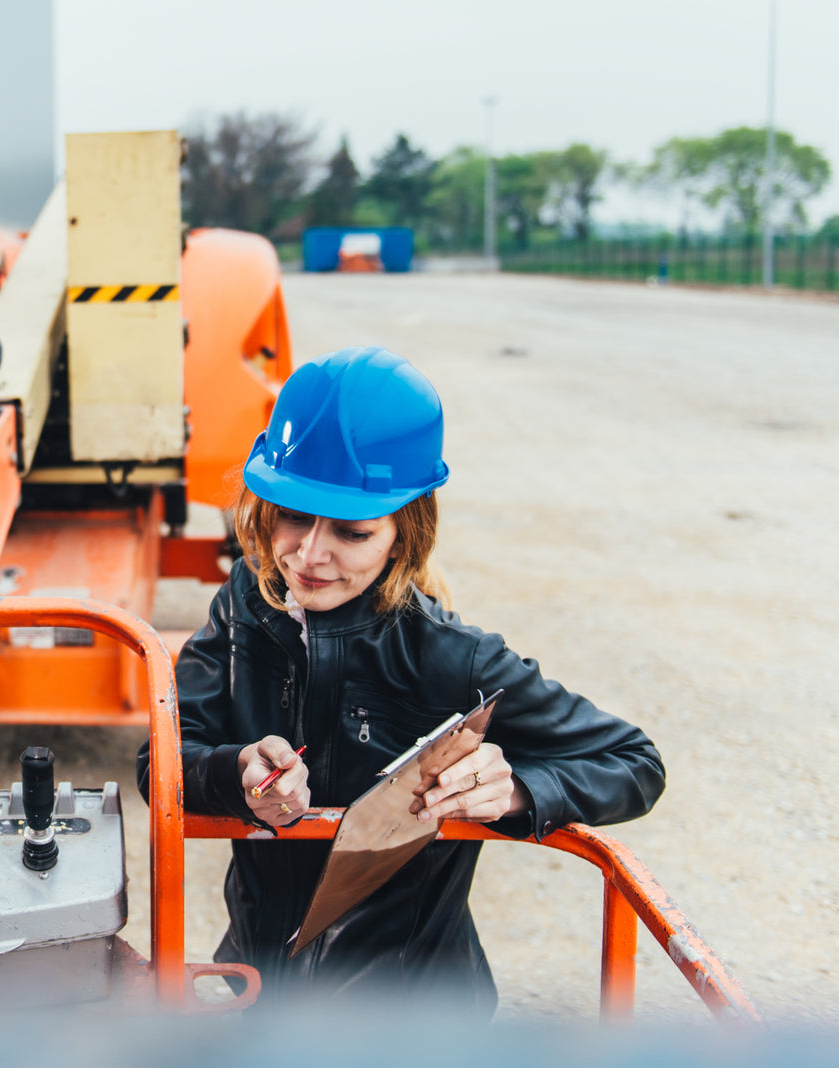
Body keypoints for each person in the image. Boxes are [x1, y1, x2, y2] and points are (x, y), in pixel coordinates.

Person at [137, 346, 665, 1013]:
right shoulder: (246, 606)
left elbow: (634, 761)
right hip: (258, 992)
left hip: (411, 1020)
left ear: (404, 534)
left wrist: (517, 790)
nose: (310, 555)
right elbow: (160, 761)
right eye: (293, 516)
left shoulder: (452, 657)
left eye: (352, 533)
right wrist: (233, 771)